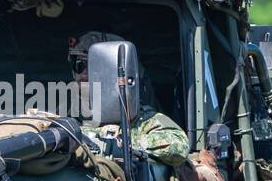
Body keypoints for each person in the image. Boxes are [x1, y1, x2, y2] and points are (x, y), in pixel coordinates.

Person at [69, 31, 189, 167]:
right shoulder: (70, 114)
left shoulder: (142, 119)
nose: (83, 73)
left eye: (91, 65)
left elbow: (179, 146)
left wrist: (115, 142)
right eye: (77, 64)